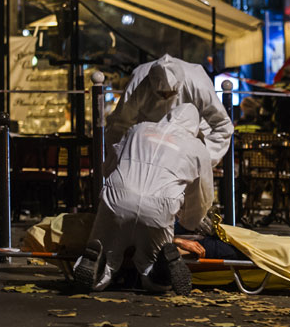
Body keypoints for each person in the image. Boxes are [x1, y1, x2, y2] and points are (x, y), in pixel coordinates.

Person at [74, 104, 213, 295]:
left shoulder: (138, 129)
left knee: (107, 249)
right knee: (150, 268)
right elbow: (202, 196)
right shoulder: (197, 148)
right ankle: (162, 269)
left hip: (117, 198)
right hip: (159, 208)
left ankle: (97, 262)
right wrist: (191, 221)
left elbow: (110, 165)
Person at [105, 54, 232, 167]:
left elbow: (222, 125)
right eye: (161, 94)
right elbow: (120, 124)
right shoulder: (139, 82)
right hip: (149, 146)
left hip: (192, 143)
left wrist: (203, 158)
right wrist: (118, 159)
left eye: (170, 93)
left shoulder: (198, 83)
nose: (165, 98)